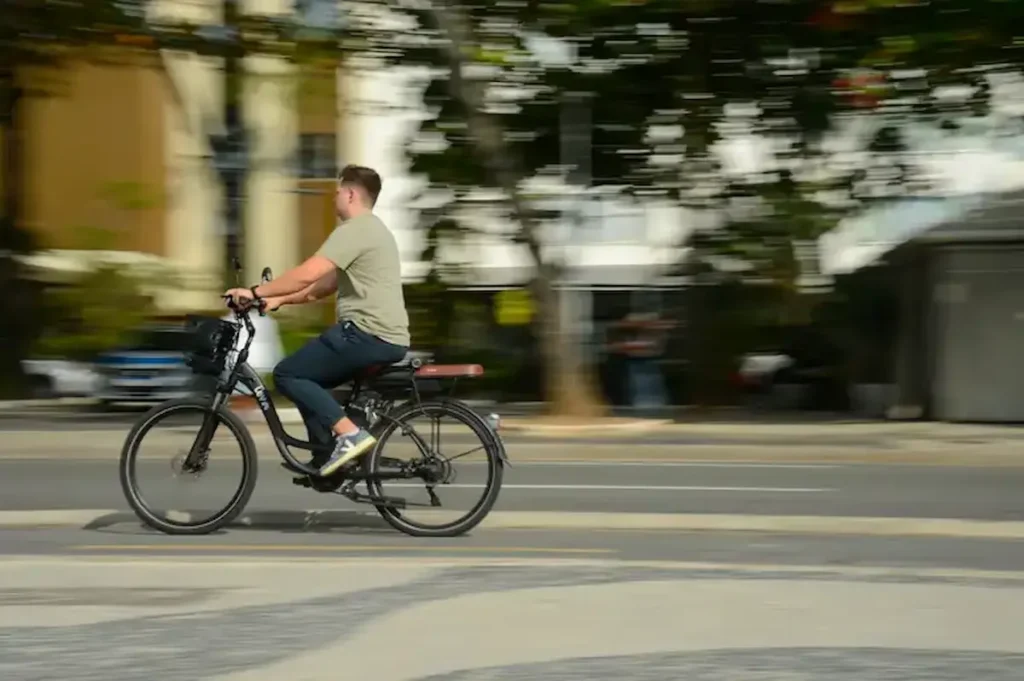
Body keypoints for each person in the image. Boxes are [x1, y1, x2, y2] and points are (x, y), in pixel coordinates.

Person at [225, 165, 410, 477]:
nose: (334, 198)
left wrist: (254, 291)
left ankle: (350, 435)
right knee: (311, 381)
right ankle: (327, 460)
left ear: (351, 194)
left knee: (287, 375)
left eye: (338, 192)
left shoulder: (356, 230)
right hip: (381, 337)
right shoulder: (373, 231)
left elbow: (308, 273)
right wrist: (278, 299)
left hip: (366, 334)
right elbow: (322, 286)